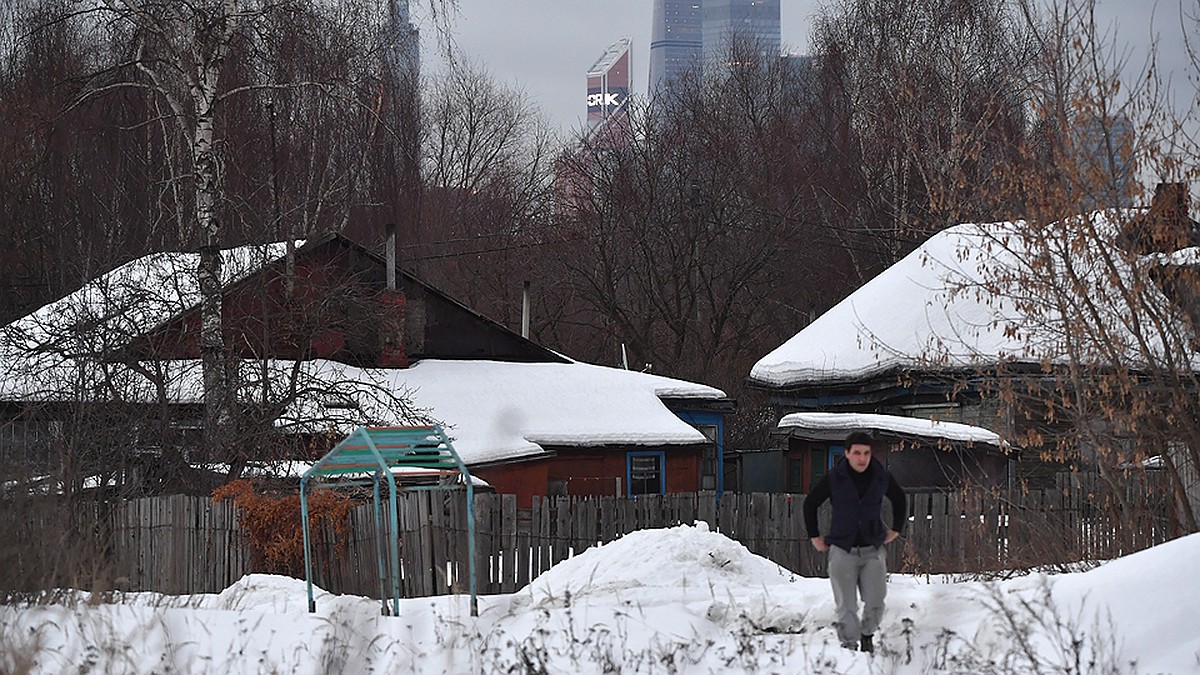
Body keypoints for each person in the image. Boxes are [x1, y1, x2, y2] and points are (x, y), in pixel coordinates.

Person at [803, 431, 907, 654]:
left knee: (876, 601)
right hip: (842, 550)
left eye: (866, 453)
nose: (862, 458)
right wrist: (815, 536)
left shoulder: (881, 476)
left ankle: (867, 635)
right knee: (846, 605)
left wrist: (896, 529)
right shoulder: (834, 477)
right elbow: (810, 503)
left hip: (873, 550)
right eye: (857, 453)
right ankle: (849, 648)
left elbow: (899, 498)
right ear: (847, 453)